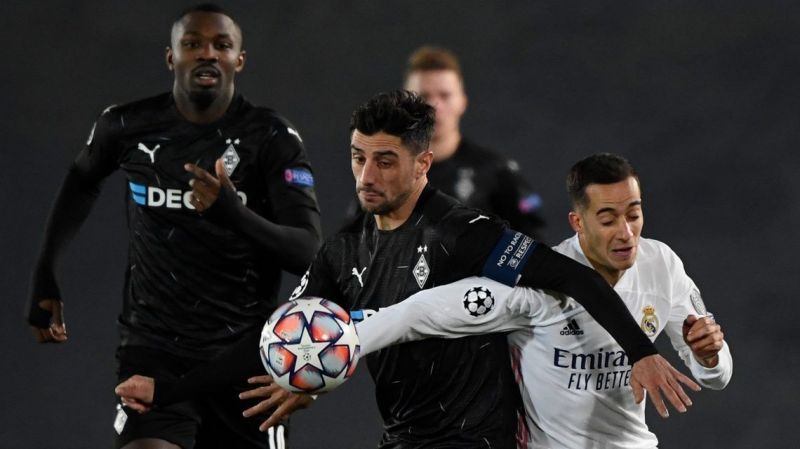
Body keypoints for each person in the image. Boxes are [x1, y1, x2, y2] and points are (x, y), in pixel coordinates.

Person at [118, 91, 698, 448]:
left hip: (478, 441)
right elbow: (274, 336)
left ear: (423, 163)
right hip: (405, 438)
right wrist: (170, 389)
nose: (367, 174)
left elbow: (568, 277)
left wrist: (640, 349)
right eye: (358, 157)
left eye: (385, 160)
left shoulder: (464, 234)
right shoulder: (342, 255)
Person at [27, 4, 321, 449]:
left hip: (245, 358)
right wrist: (45, 271)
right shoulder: (126, 126)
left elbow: (308, 254)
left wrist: (233, 215)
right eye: (193, 44)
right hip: (153, 349)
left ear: (239, 60)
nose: (208, 54)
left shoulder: (272, 138)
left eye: (221, 45)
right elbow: (81, 181)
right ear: (171, 57)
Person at [354, 153, 733, 448]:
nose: (626, 233)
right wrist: (347, 341)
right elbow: (423, 311)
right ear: (577, 222)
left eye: (634, 215)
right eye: (608, 219)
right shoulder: (538, 285)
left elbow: (715, 377)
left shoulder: (661, 265)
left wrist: (709, 356)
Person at [404, 46, 546, 239]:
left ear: (462, 101)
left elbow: (533, 245)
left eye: (445, 95)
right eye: (423, 96)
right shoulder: (385, 173)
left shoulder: (494, 171)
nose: (434, 106)